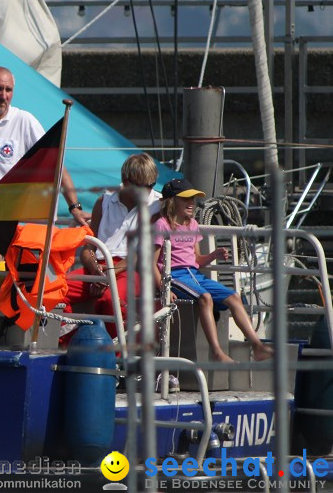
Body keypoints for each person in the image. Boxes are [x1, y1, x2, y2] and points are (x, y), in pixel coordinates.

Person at [0, 66, 87, 269]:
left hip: (3, 212)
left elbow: (56, 165)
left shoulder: (24, 121)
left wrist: (74, 207)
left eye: (8, 90)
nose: (3, 96)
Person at [153, 178, 273, 363]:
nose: (192, 203)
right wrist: (163, 288)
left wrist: (214, 255)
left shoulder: (192, 224)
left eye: (193, 199)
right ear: (172, 201)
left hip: (194, 275)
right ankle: (217, 352)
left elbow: (197, 260)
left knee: (234, 296)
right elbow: (151, 262)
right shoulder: (162, 225)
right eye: (186, 199)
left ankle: (257, 346)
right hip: (175, 275)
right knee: (205, 298)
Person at [59, 153, 161, 342]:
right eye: (141, 186)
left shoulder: (158, 205)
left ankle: (117, 355)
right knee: (54, 287)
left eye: (151, 185)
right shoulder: (103, 202)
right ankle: (71, 343)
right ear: (125, 181)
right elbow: (89, 246)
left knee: (108, 297)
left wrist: (106, 275)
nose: (147, 191)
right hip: (99, 267)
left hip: (133, 269)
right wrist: (98, 272)